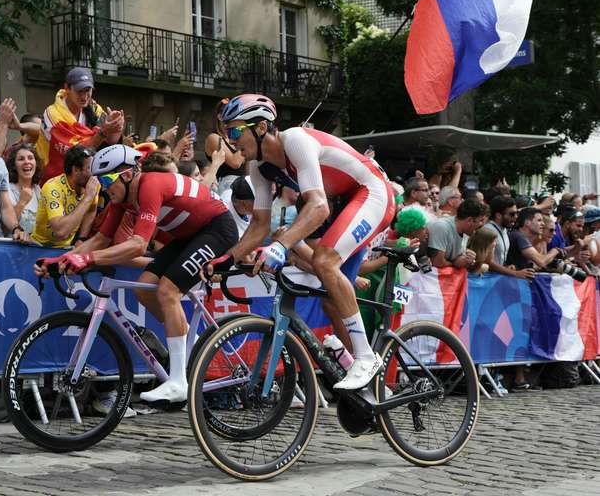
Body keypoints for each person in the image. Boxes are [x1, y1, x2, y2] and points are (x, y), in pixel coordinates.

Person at [205, 94, 395, 391]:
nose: (230, 142)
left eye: (234, 131)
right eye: (226, 133)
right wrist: (227, 259)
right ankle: (360, 378)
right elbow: (259, 225)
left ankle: (366, 358)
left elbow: (318, 207)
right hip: (342, 202)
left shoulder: (295, 140)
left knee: (323, 260)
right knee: (330, 295)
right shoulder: (259, 168)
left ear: (262, 127)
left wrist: (281, 246)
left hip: (370, 192)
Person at [37, 144, 237, 403]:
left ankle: (178, 381)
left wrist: (86, 259)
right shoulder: (122, 201)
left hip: (217, 228)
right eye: (99, 181)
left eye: (108, 179)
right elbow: (100, 239)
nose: (105, 187)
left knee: (167, 290)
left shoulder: (150, 185)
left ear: (128, 174)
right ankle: (192, 343)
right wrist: (60, 260)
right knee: (145, 288)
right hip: (190, 235)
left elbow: (138, 245)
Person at [35, 67, 124, 181]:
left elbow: (111, 141)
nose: (84, 96)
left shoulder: (93, 107)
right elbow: (76, 155)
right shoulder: (53, 114)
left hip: (83, 177)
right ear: (67, 88)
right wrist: (104, 132)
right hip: (53, 179)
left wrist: (116, 125)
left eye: (87, 90)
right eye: (79, 91)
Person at [31, 144, 99, 248]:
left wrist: (81, 238)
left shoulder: (92, 184)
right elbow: (61, 232)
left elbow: (91, 210)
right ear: (76, 169)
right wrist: (87, 198)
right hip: (39, 246)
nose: (96, 173)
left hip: (66, 248)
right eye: (90, 168)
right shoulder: (52, 187)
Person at [425, 198, 488, 269]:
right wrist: (455, 263)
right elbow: (437, 262)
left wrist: (467, 259)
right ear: (469, 220)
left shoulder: (466, 231)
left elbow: (456, 258)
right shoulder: (441, 226)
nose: (483, 224)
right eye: (481, 220)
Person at [482, 196, 534, 279]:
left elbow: (497, 261)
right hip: (486, 280)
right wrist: (515, 273)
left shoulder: (504, 230)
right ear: (498, 215)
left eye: (516, 213)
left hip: (496, 278)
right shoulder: (488, 231)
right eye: (512, 214)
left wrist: (507, 267)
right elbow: (488, 263)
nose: (516, 217)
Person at [6, 143, 41, 236]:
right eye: (21, 159)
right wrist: (22, 202)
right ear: (14, 165)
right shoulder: (7, 189)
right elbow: (4, 228)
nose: (27, 162)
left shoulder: (38, 190)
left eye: (30, 158)